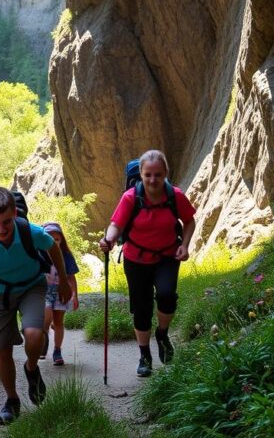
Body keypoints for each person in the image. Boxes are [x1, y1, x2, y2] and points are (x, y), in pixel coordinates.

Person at [0, 187, 71, 425]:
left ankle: (31, 369)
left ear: (14, 214)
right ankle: (12, 400)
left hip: (32, 287)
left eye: (6, 222)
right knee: (2, 348)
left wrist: (63, 281)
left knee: (34, 334)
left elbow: (53, 248)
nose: (1, 229)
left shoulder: (30, 231)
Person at [98, 150, 196, 377]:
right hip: (136, 259)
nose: (153, 180)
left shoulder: (175, 196)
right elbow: (116, 225)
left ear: (166, 174)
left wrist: (185, 245)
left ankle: (162, 334)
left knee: (166, 295)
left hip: (167, 257)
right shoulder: (130, 198)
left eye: (158, 175)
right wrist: (109, 240)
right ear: (141, 175)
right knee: (141, 308)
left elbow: (189, 221)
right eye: (148, 175)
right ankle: (145, 356)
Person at [40, 222, 80, 366]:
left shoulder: (66, 256)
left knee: (58, 322)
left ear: (61, 240)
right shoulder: (38, 254)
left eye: (57, 239)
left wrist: (75, 295)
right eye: (49, 238)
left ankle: (57, 351)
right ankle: (43, 342)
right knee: (46, 317)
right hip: (44, 292)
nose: (53, 242)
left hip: (61, 292)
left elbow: (71, 277)